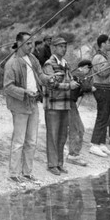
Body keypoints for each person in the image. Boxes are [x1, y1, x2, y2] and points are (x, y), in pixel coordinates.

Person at [3, 32, 44, 183]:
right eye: (28, 43)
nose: (31, 46)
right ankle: (14, 173)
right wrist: (24, 92)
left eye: (32, 43)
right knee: (19, 140)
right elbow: (7, 87)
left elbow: (41, 74)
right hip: (19, 105)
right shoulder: (12, 63)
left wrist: (50, 79)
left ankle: (27, 172)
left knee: (32, 140)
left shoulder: (33, 59)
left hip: (33, 103)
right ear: (19, 43)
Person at [42, 36, 79, 175]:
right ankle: (52, 165)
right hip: (52, 105)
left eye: (65, 46)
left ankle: (59, 163)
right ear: (54, 48)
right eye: (60, 46)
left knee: (62, 136)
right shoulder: (48, 64)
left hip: (65, 105)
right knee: (52, 135)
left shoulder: (66, 64)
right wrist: (69, 85)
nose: (63, 49)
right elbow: (51, 84)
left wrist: (76, 81)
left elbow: (69, 79)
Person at [89, 35, 110, 157]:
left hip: (108, 89)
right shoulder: (98, 57)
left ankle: (101, 143)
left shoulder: (104, 57)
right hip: (102, 90)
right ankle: (94, 144)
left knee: (106, 117)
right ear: (102, 44)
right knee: (102, 117)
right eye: (108, 42)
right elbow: (102, 73)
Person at [66, 59, 93, 166]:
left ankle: (73, 153)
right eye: (88, 68)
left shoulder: (75, 74)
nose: (88, 71)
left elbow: (81, 89)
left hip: (69, 104)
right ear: (83, 67)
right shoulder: (79, 74)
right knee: (78, 129)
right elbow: (86, 87)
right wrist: (92, 87)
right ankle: (73, 155)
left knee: (77, 129)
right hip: (69, 104)